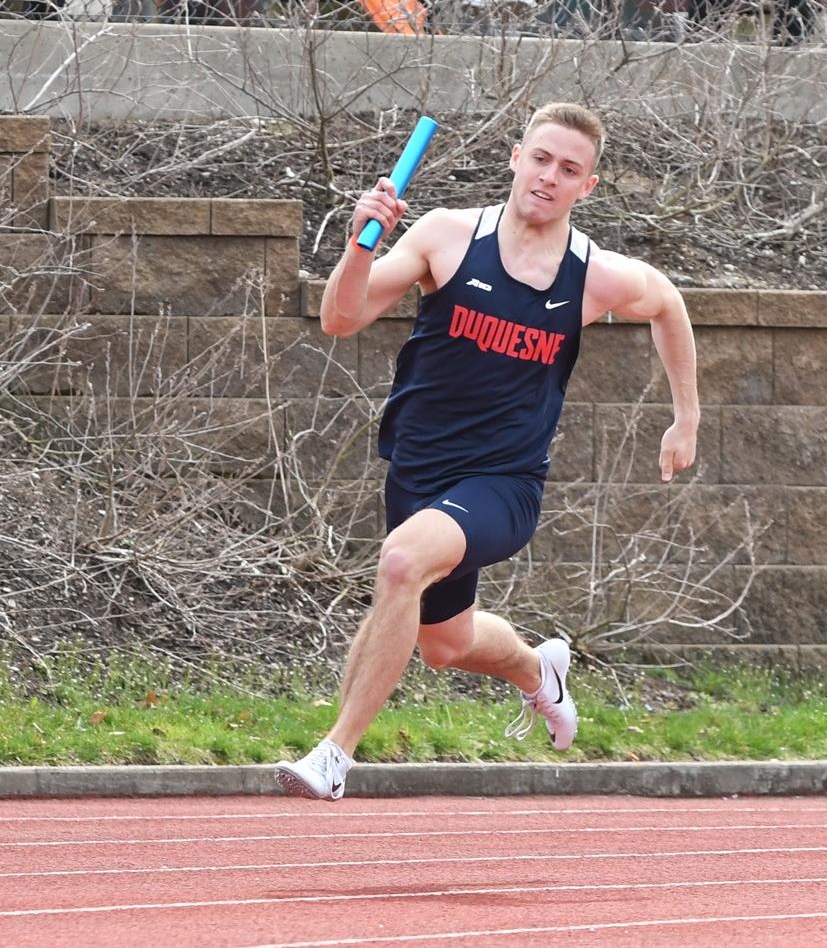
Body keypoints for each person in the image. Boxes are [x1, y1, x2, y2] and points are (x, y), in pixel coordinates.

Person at [274, 102, 699, 801]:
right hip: (418, 471)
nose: (549, 177)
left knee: (401, 562)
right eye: (541, 158)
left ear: (586, 186)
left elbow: (668, 305)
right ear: (515, 157)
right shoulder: (446, 237)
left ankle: (333, 755)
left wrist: (685, 418)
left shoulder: (591, 275)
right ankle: (538, 671)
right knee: (444, 644)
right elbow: (340, 318)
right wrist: (358, 247)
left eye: (569, 169)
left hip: (503, 482)